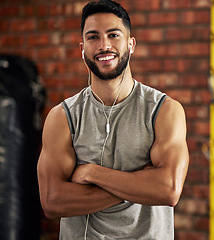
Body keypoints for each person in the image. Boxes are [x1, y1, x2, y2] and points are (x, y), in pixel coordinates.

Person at [36, 0, 189, 239]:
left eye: (113, 35)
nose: (104, 45)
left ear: (131, 44)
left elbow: (168, 190)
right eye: (93, 37)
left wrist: (91, 174)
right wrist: (140, 181)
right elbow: (52, 201)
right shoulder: (62, 117)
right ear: (82, 48)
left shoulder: (164, 111)